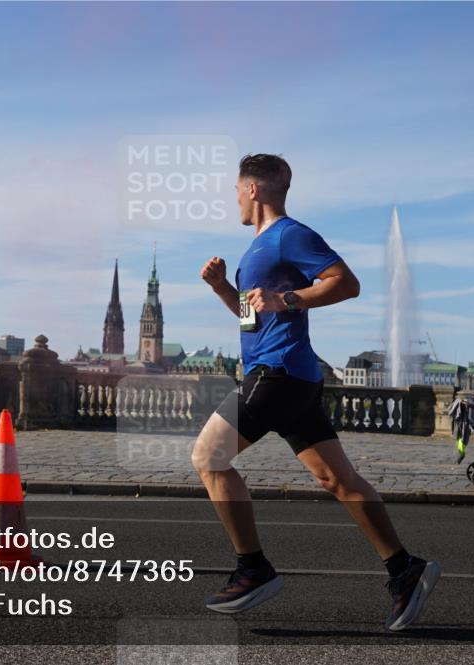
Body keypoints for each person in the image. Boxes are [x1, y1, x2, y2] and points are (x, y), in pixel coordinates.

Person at [194, 153, 440, 630]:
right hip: (296, 377)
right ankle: (403, 569)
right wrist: (225, 288)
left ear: (252, 189)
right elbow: (251, 317)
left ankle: (253, 569)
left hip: (277, 374)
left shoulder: (290, 234)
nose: (235, 200)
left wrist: (289, 297)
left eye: (235, 190)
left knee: (209, 458)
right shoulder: (257, 249)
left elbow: (347, 283)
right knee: (339, 481)